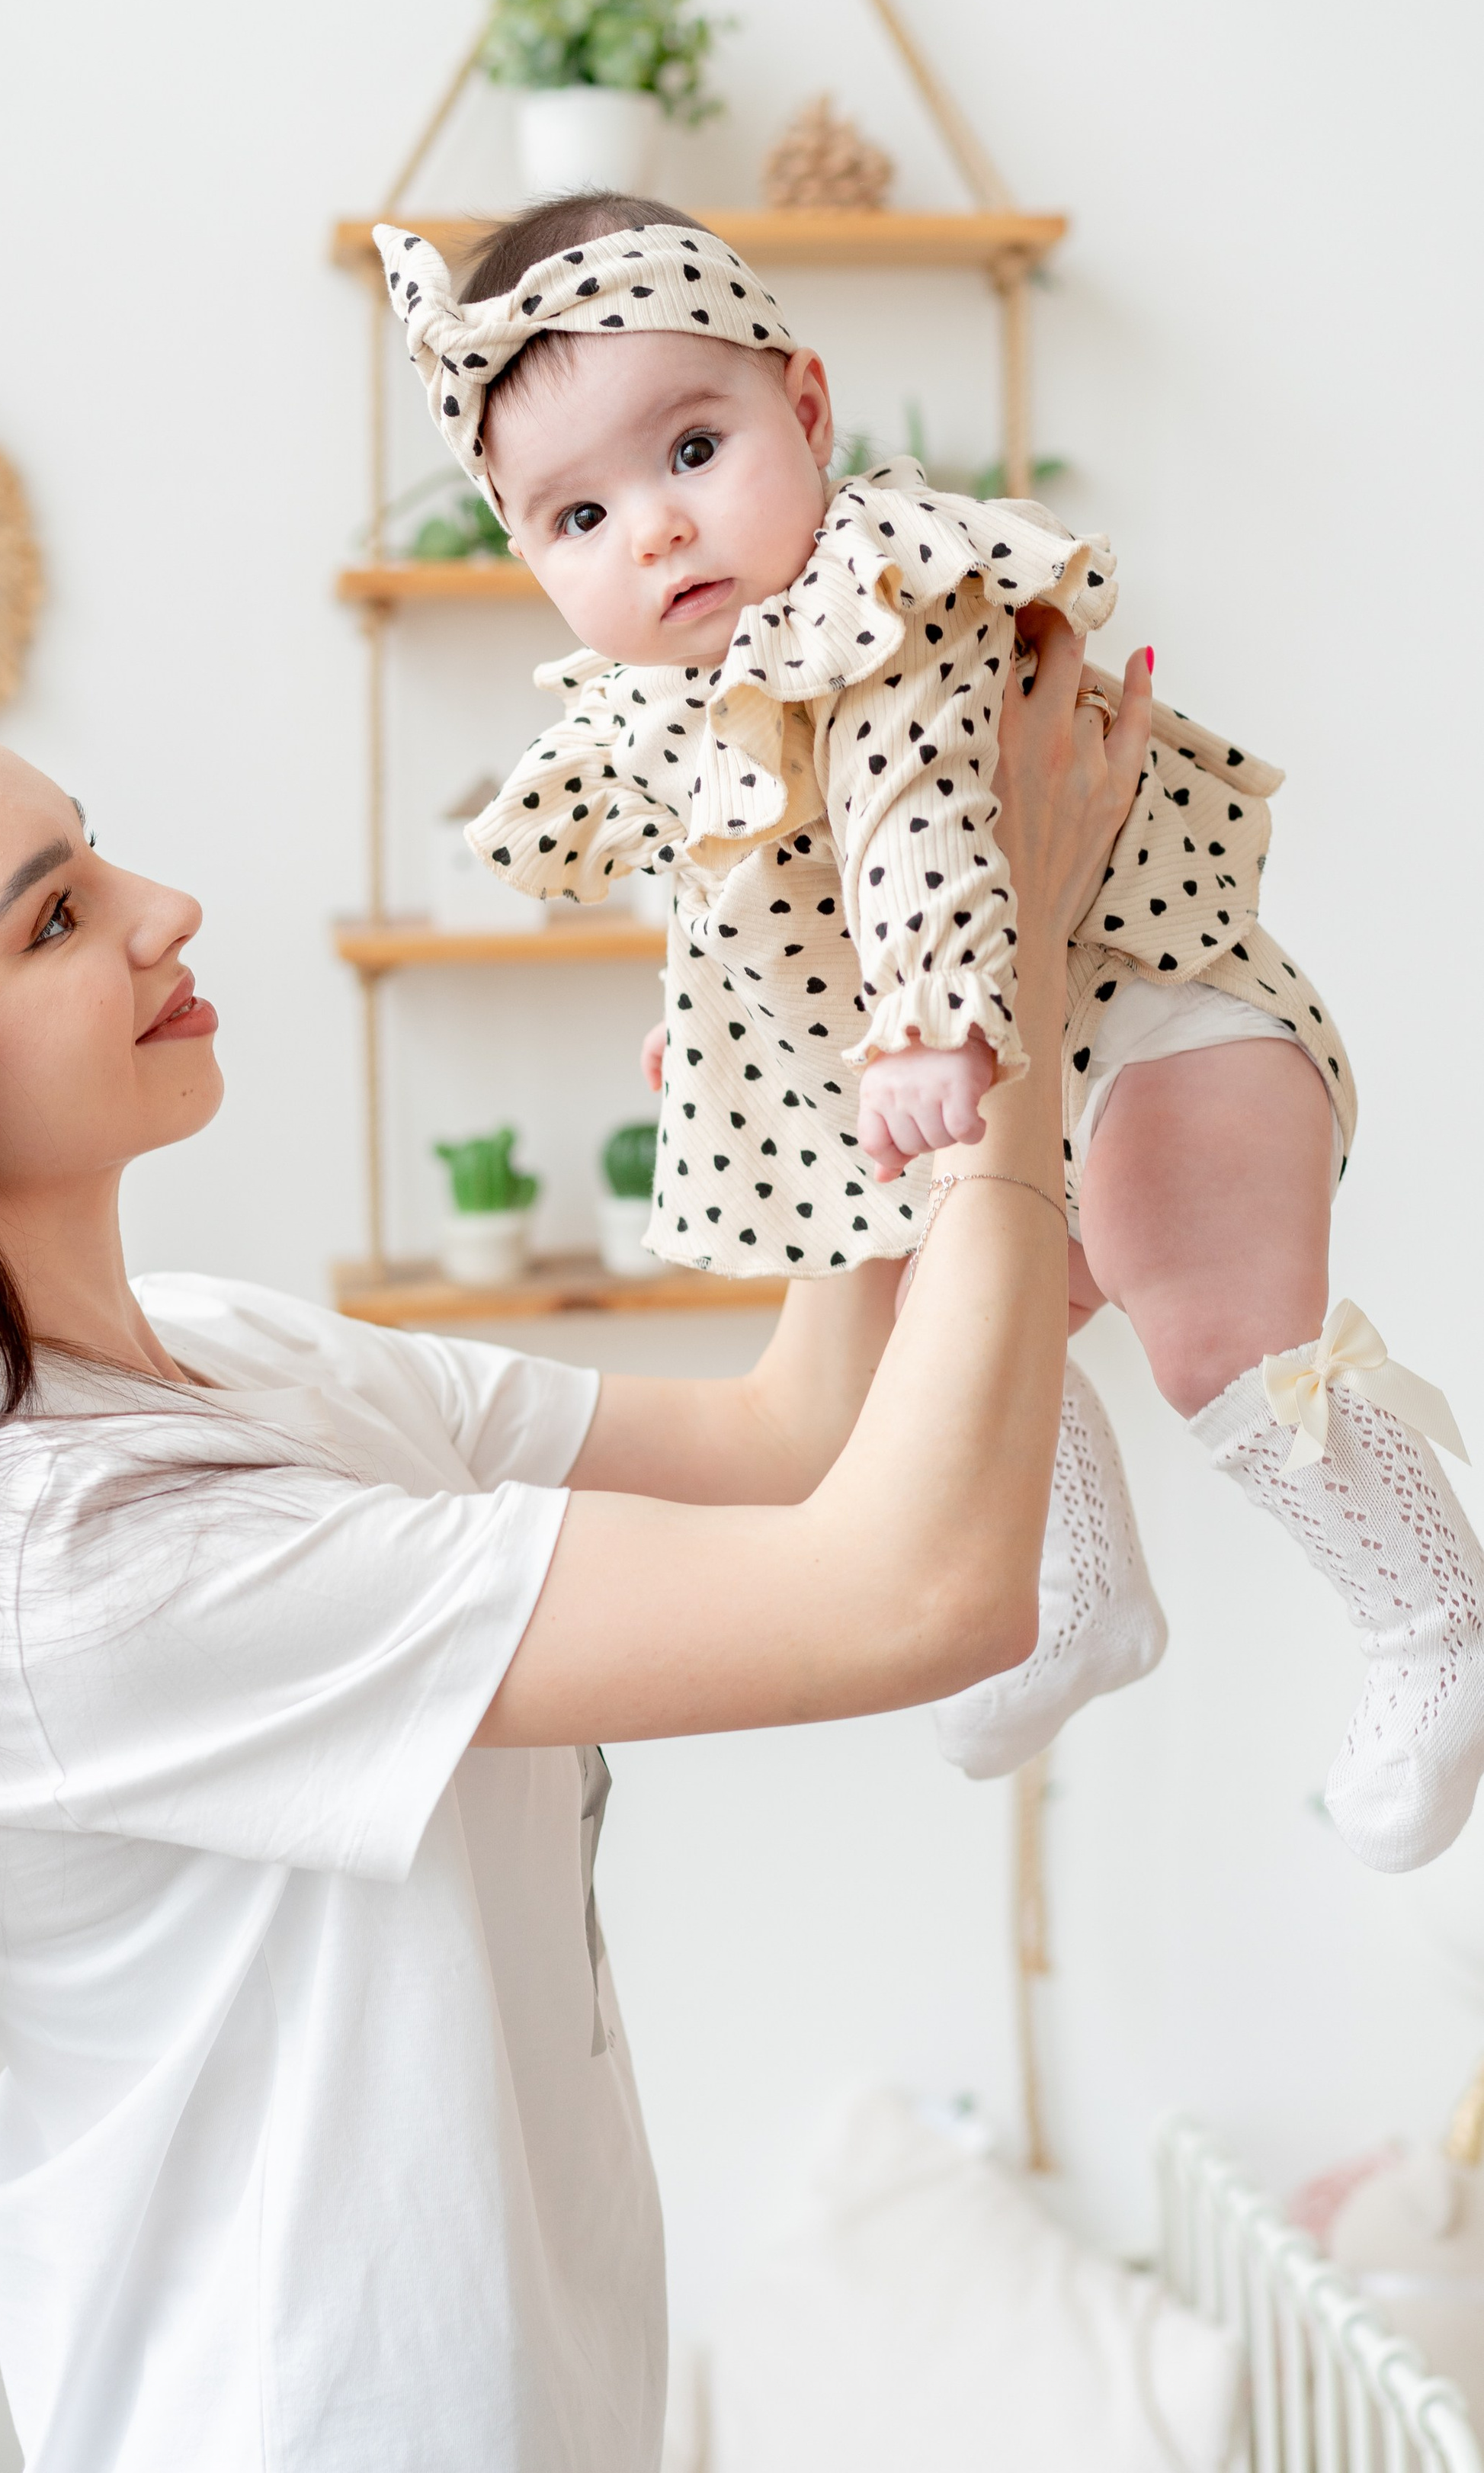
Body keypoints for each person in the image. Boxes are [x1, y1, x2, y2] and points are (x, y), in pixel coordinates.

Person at [0, 647, 1133, 2473]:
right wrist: (990, 994)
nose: (164, 912)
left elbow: (787, 1448)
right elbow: (907, 1594)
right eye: (57, 919)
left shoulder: (234, 1355)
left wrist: (862, 1034)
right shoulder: (46, 1558)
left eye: (97, 856)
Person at [376, 195, 1478, 1873]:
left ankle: (1431, 1617)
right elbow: (733, 884)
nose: (656, 533)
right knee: (937, 1307)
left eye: (690, 448)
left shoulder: (881, 604)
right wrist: (720, 1033)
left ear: (806, 411)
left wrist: (924, 1016)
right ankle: (1073, 1590)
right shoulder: (677, 698)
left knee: (1202, 1326)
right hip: (1027, 1056)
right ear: (524, 554)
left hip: (1160, 1012)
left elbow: (914, 831)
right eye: (580, 512)